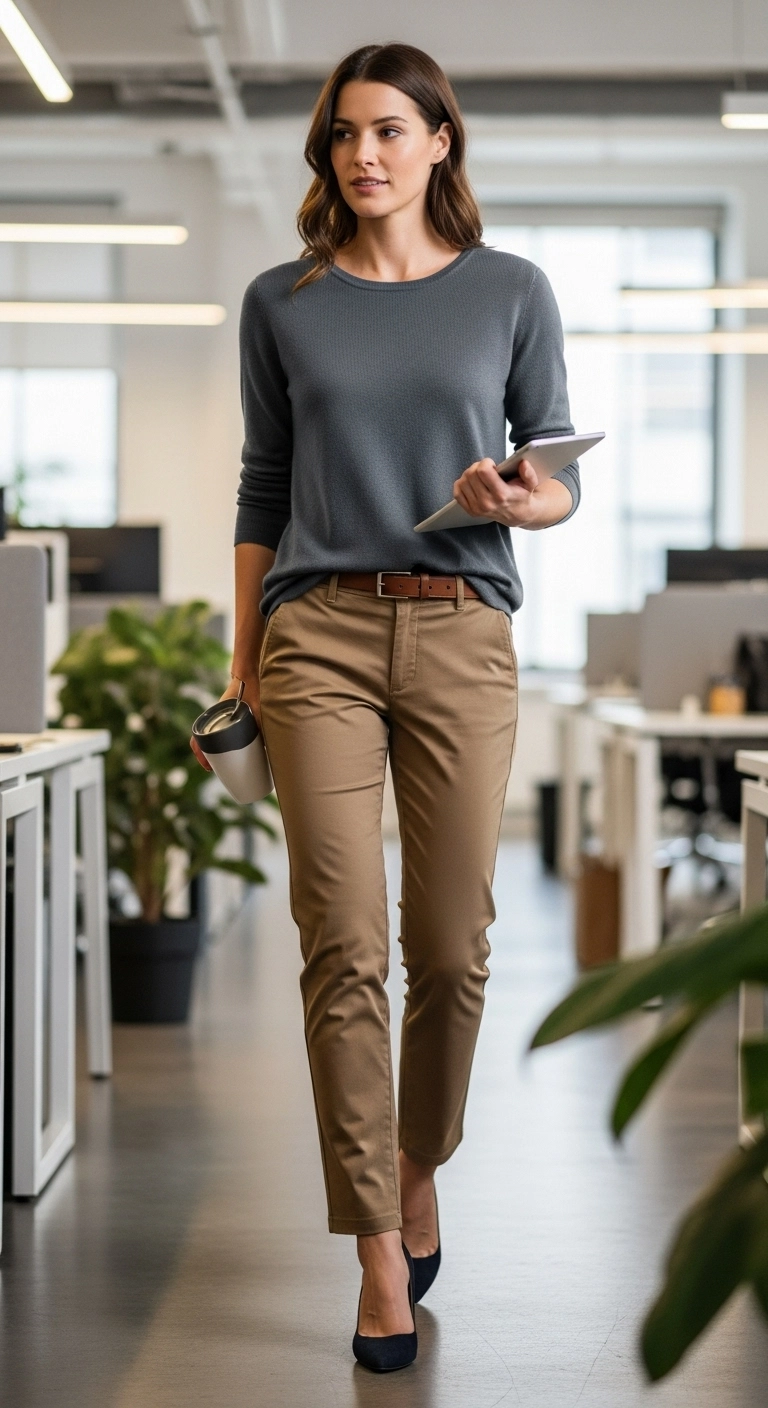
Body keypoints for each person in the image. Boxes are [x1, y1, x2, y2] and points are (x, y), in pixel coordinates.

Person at [192, 41, 579, 1373]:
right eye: (346, 134)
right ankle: (374, 1251)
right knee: (341, 940)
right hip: (319, 641)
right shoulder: (282, 301)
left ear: (440, 144)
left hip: (466, 627)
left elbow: (553, 475)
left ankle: (421, 1162)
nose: (365, 155)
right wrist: (245, 658)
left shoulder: (512, 292)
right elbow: (259, 489)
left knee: (455, 945)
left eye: (391, 132)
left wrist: (526, 500)